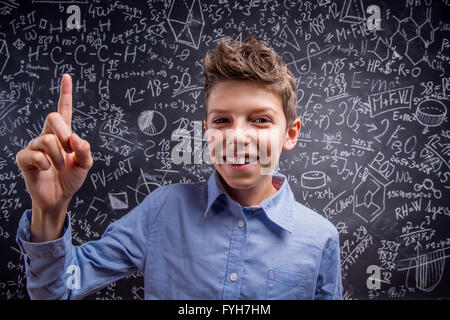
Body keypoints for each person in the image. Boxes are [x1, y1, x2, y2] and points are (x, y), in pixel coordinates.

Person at [15, 36, 342, 300]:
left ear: (291, 134)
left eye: (260, 120)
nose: (239, 137)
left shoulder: (320, 239)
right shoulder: (163, 211)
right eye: (222, 120)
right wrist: (50, 210)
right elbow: (58, 290)